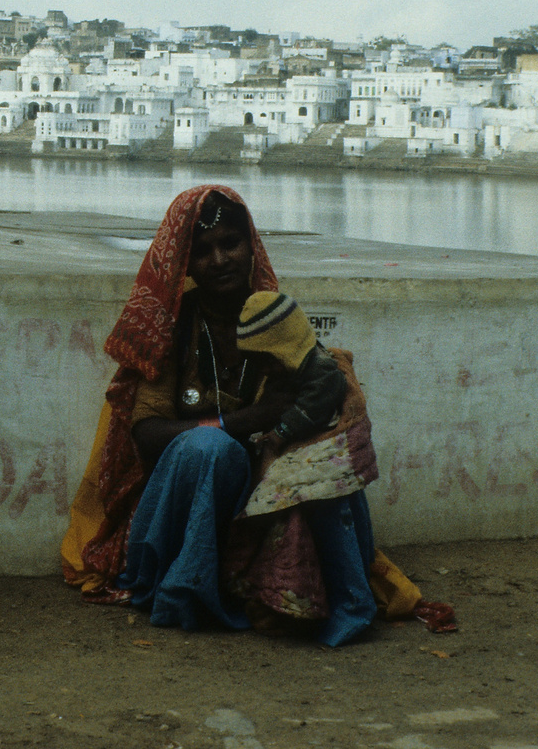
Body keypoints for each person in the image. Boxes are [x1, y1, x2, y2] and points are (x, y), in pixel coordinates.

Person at [61, 185, 434, 646]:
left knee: (317, 462)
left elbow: (320, 391)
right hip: (178, 513)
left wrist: (285, 429)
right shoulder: (173, 327)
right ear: (184, 263)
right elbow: (147, 434)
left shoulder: (276, 319)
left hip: (258, 501)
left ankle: (333, 601)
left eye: (230, 243)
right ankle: (185, 590)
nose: (219, 261)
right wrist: (247, 420)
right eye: (202, 251)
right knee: (209, 449)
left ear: (250, 245)